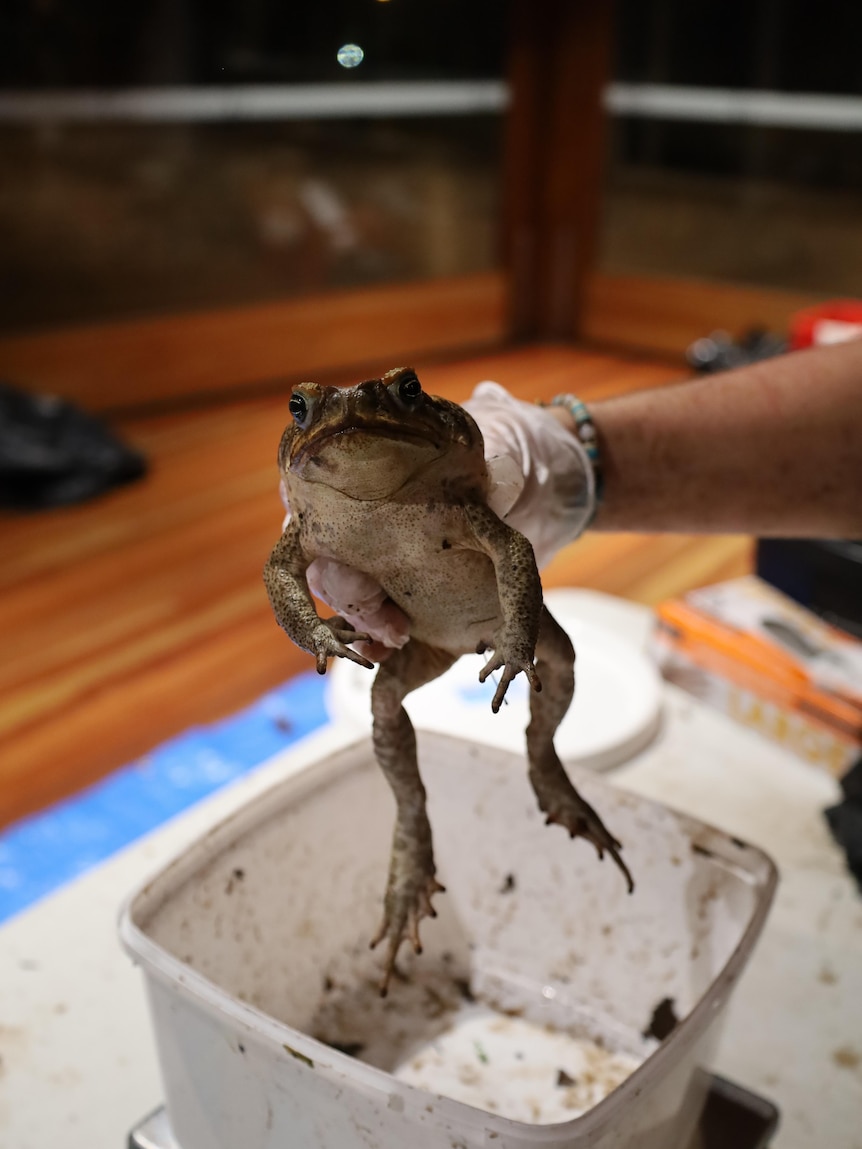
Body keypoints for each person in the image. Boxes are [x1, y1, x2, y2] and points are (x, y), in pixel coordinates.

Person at [289, 337, 862, 660]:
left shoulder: (465, 495)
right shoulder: (310, 522)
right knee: (387, 710)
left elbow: (512, 551)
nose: (355, 417)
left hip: (491, 619)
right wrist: (313, 631)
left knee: (559, 666)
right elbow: (280, 574)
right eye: (303, 410)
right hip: (420, 635)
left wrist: (516, 641)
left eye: (406, 394)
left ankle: (547, 769)